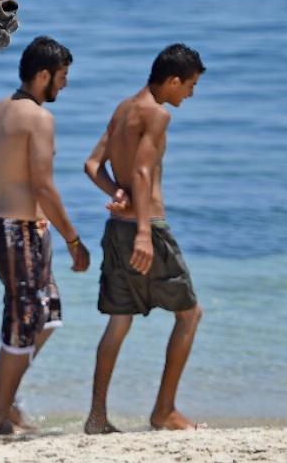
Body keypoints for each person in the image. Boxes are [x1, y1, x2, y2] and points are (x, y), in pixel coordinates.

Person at [0, 36, 91, 435]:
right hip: (19, 232)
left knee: (47, 315)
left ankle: (4, 398)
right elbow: (43, 187)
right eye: (62, 76)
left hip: (11, 228)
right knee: (22, 321)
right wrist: (73, 239)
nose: (65, 85)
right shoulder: (39, 119)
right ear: (43, 75)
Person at [81, 43, 206, 433]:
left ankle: (97, 417)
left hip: (116, 230)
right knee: (189, 315)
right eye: (190, 85)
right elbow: (142, 174)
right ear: (172, 80)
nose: (190, 93)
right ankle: (164, 411)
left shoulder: (124, 107)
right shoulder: (157, 114)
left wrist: (114, 195)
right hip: (146, 229)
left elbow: (92, 165)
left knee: (119, 321)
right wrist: (143, 233)